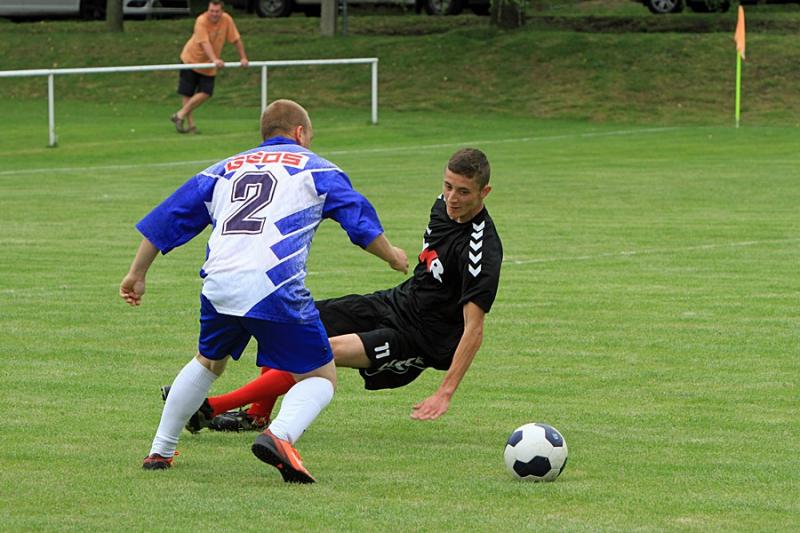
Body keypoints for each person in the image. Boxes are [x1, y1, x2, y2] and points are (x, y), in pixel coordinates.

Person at [120, 99, 408, 483]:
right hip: (274, 285)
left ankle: (160, 450)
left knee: (209, 362)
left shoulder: (223, 169)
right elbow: (360, 224)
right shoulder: (318, 168)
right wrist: (392, 256)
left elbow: (168, 217)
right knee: (321, 376)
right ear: (300, 133)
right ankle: (280, 436)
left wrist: (137, 273)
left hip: (218, 283)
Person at [168, 147, 503, 434]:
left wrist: (445, 392)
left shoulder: (482, 250)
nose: (452, 198)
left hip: (423, 338)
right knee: (295, 322)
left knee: (322, 352)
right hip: (397, 302)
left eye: (463, 192)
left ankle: (211, 407)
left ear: (484, 192)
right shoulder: (441, 206)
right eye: (448, 186)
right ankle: (257, 415)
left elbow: (474, 329)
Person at [171, 0, 249, 134]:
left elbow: (236, 39)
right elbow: (204, 43)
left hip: (209, 64)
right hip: (191, 60)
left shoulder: (227, 20)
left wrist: (243, 57)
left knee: (206, 92)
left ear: (222, 11)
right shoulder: (201, 20)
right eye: (211, 11)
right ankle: (190, 125)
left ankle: (179, 115)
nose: (214, 14)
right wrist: (215, 60)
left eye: (217, 11)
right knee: (188, 93)